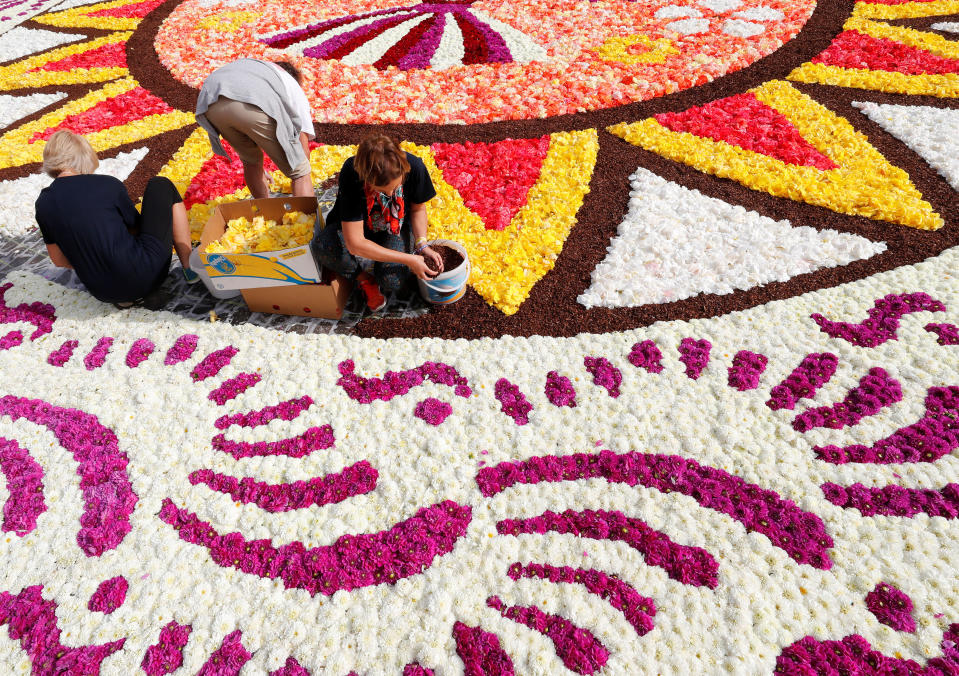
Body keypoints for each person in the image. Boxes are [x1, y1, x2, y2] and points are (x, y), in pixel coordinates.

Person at [35, 130, 193, 308]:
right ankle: (189, 266)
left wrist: (94, 264)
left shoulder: (43, 204)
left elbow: (58, 259)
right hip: (148, 274)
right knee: (161, 185)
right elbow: (135, 229)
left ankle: (124, 297)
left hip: (103, 292)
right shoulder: (106, 184)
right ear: (83, 156)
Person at [312, 134, 442, 311]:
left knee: (392, 281)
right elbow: (355, 243)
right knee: (323, 246)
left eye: (395, 188)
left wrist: (422, 245)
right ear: (366, 178)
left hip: (396, 228)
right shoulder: (352, 172)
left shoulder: (415, 167)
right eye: (382, 191)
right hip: (359, 230)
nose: (390, 195)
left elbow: (418, 209)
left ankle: (384, 257)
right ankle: (365, 279)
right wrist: (409, 259)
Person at [195, 59, 315, 199]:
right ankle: (305, 219)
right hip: (248, 99)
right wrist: (300, 166)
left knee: (251, 162)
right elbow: (302, 140)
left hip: (210, 103)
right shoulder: (291, 84)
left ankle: (266, 214)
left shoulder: (256, 68)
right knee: (300, 170)